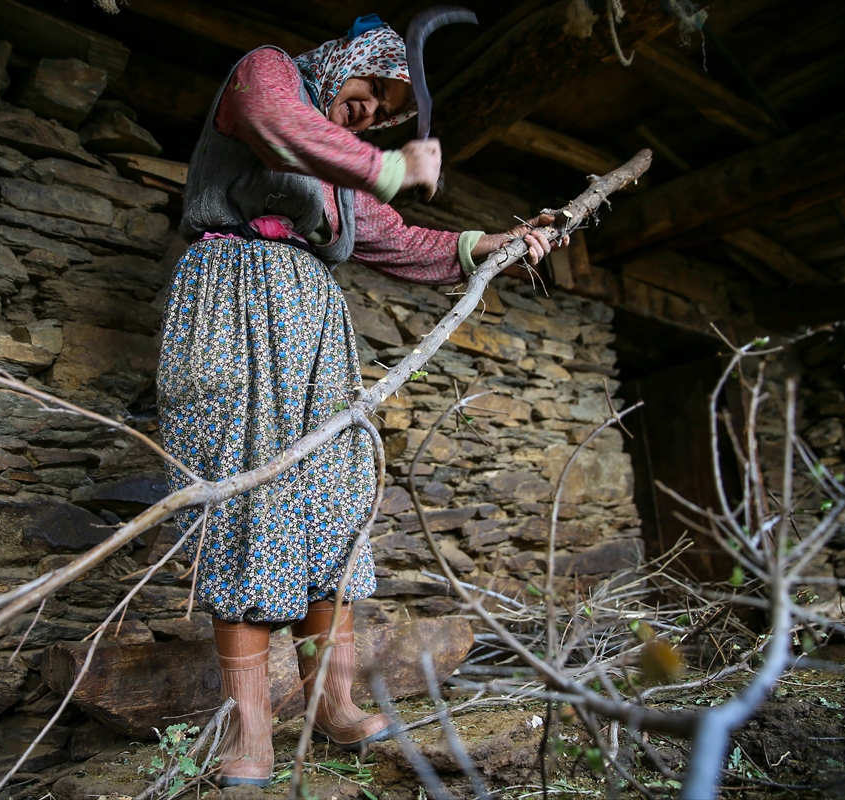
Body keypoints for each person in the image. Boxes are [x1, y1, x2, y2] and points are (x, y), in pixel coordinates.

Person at [157, 14, 564, 788]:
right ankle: (252, 736)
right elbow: (277, 124)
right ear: (345, 61)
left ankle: (332, 706)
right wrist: (387, 165)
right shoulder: (268, 72)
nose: (374, 111)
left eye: (389, 111)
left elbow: (402, 239)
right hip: (232, 297)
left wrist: (495, 244)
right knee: (239, 496)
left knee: (332, 502)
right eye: (373, 88)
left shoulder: (345, 171)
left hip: (313, 318)